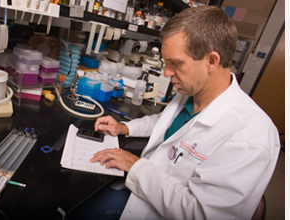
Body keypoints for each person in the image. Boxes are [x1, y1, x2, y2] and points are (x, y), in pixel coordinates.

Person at [75, 6, 281, 220]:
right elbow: (166, 121)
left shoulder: (249, 136)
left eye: (176, 64)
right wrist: (125, 128)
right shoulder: (194, 92)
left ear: (211, 61)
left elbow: (200, 214)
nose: (166, 73)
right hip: (143, 191)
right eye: (166, 62)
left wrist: (135, 166)